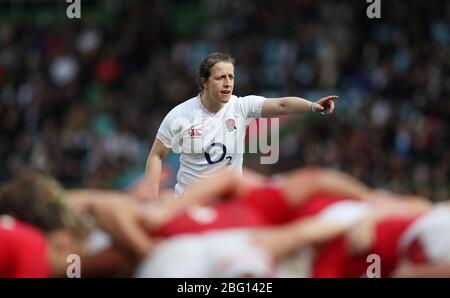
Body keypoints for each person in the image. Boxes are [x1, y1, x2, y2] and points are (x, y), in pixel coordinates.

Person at [133, 52, 339, 200]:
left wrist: (312, 106)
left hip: (230, 202)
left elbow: (281, 104)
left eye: (231, 77)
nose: (228, 83)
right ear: (204, 82)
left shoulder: (241, 106)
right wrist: (152, 197)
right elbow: (156, 155)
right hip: (189, 203)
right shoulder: (180, 115)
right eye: (221, 77)